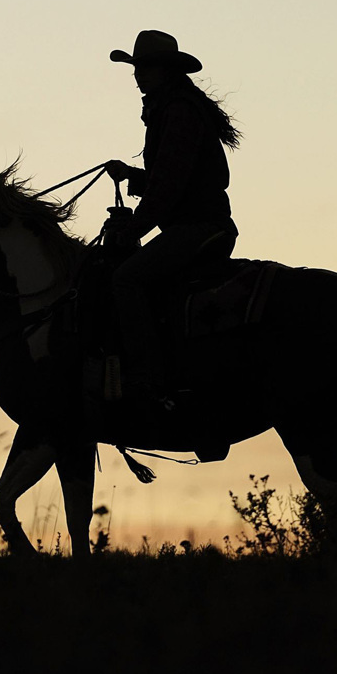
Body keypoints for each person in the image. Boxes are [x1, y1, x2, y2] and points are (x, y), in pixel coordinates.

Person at [105, 30, 241, 399]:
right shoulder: (175, 107)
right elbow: (174, 177)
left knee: (126, 280)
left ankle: (147, 379)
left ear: (168, 70)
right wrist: (133, 176)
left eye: (147, 67)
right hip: (200, 223)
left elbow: (169, 184)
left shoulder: (178, 111)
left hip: (198, 227)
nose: (139, 74)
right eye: (136, 67)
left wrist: (133, 228)